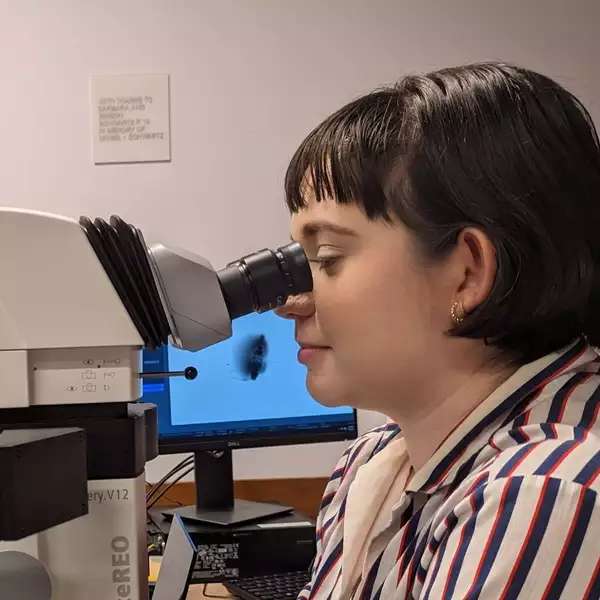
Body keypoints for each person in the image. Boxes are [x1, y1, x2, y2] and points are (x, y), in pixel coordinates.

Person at [275, 62, 600, 599]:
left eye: (327, 257)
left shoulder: (542, 495)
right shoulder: (373, 468)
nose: (291, 301)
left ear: (467, 273)